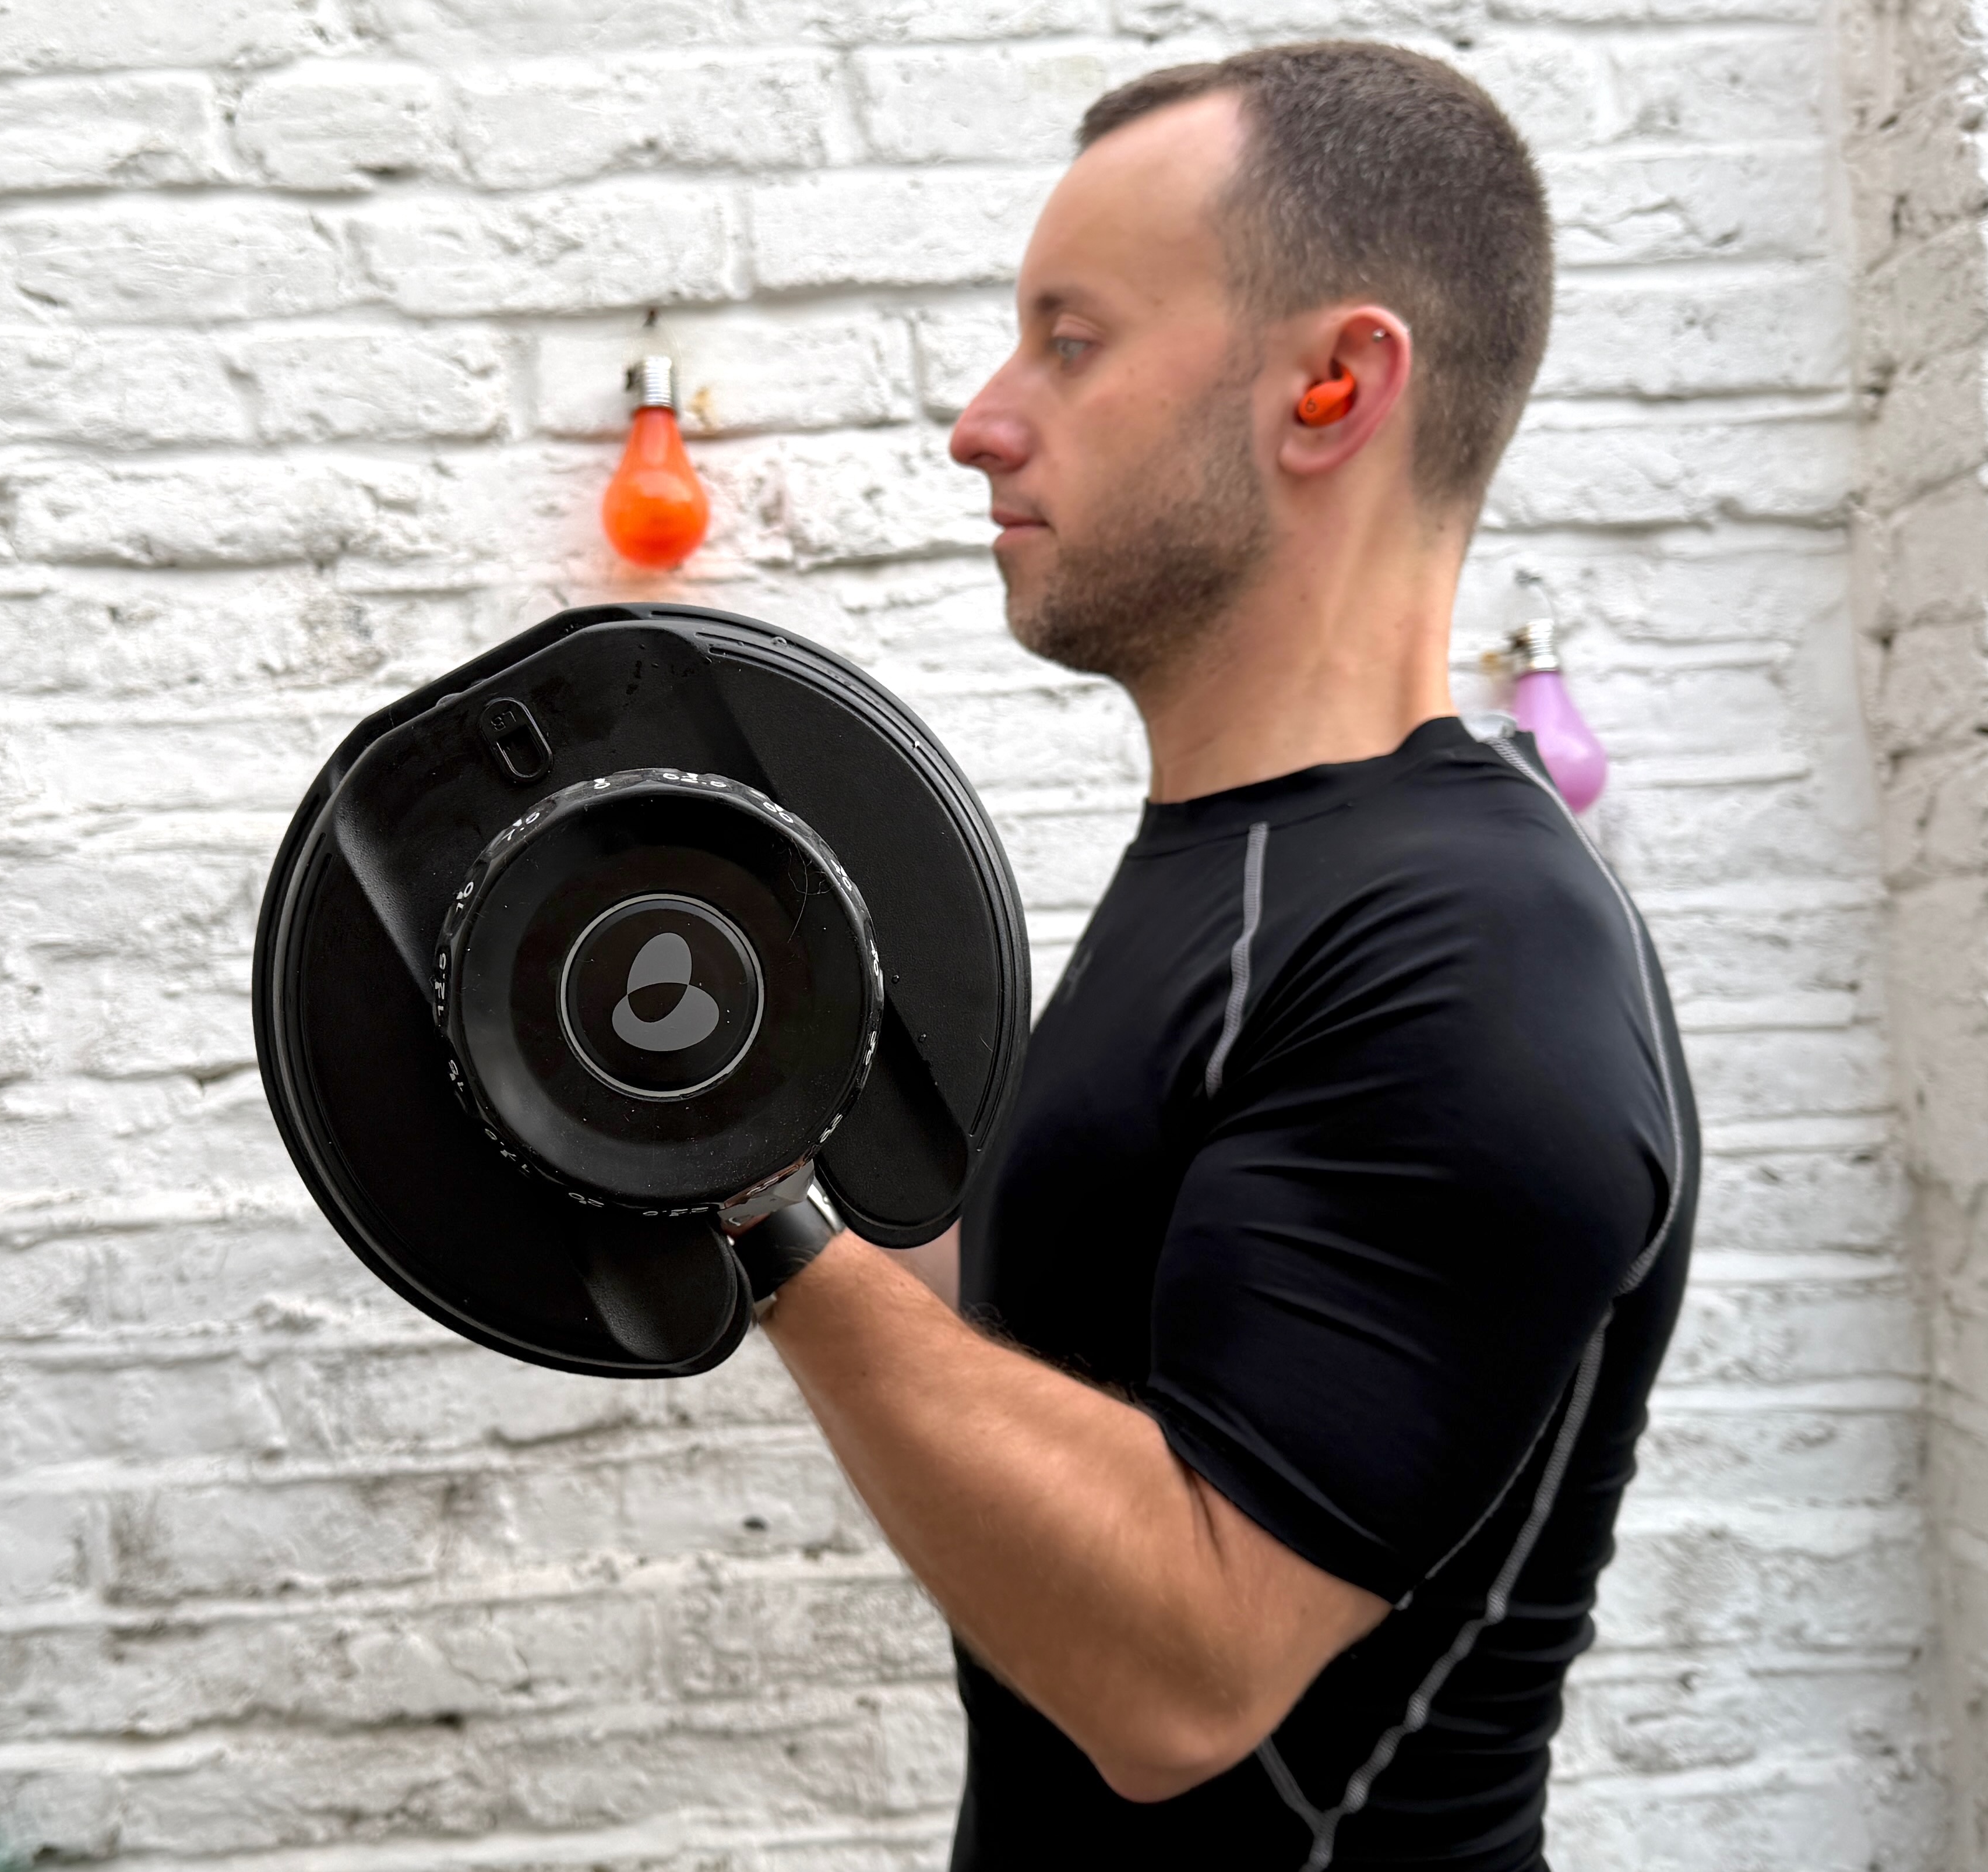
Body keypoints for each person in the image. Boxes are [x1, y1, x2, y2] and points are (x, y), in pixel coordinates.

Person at [721, 42, 1699, 1871]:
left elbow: (1190, 1666)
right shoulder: (1254, 870)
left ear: (1332, 387)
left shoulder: (1468, 949)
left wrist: (752, 1208)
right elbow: (1068, 1324)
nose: (983, 419)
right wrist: (702, 1098)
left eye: (1069, 342)